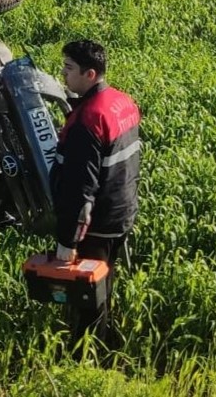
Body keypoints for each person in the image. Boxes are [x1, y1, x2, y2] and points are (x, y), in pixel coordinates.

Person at [52, 39, 141, 347]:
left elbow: (81, 191)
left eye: (69, 68)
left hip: (98, 223)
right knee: (105, 284)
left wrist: (68, 241)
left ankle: (85, 358)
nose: (64, 75)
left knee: (88, 294)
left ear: (90, 74)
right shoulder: (121, 101)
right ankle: (107, 343)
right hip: (123, 209)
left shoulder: (88, 121)